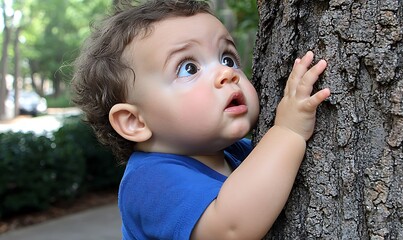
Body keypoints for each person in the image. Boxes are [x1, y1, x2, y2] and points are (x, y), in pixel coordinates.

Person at [72, 0, 331, 239]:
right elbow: (231, 228)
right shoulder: (148, 182)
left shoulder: (235, 151)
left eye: (227, 58)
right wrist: (287, 131)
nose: (226, 73)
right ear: (134, 121)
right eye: (189, 68)